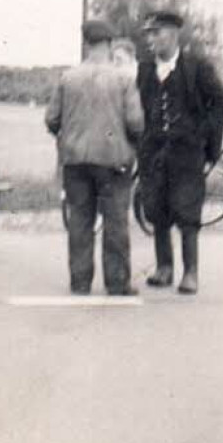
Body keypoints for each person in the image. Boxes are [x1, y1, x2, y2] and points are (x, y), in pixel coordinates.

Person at [136, 10, 223, 295]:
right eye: (148, 34)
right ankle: (164, 268)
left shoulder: (196, 67)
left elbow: (222, 103)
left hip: (187, 154)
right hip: (153, 153)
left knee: (187, 210)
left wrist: (202, 136)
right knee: (155, 207)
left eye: (156, 33)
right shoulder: (144, 70)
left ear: (173, 34)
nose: (151, 39)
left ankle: (190, 273)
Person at [46, 18, 145, 295]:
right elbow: (136, 122)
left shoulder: (68, 77)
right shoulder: (123, 79)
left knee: (79, 220)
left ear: (86, 44)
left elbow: (52, 119)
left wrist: (68, 137)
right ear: (110, 44)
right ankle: (116, 283)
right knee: (115, 221)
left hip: (76, 161)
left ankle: (80, 282)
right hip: (114, 161)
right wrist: (131, 146)